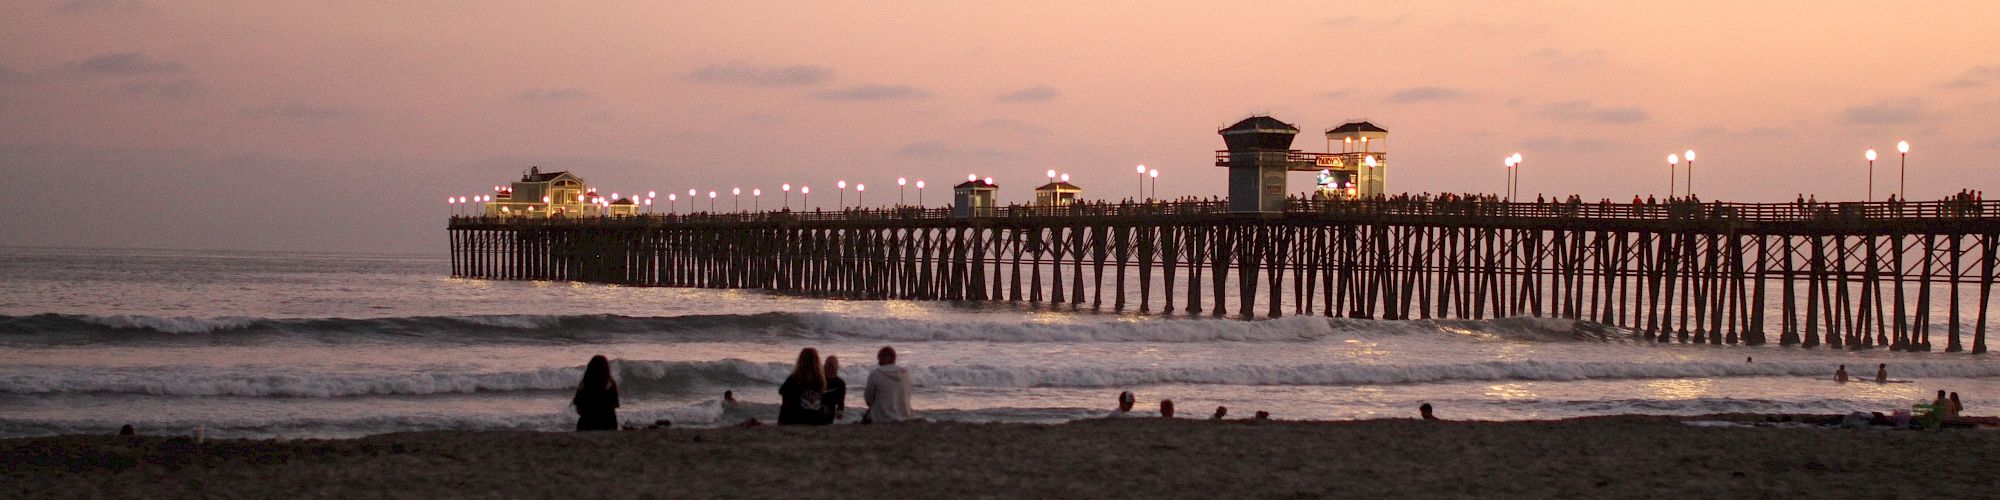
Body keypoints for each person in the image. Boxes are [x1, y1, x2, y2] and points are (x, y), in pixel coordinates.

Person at [778, 348, 833, 425]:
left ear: (800, 361)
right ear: (816, 362)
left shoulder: (794, 378)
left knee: (786, 401)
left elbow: (782, 392)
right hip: (816, 419)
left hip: (795, 418)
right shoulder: (820, 380)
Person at [863, 346, 915, 423]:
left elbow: (868, 399)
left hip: (881, 418)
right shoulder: (906, 374)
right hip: (905, 416)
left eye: (879, 358)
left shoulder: (876, 373)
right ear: (894, 359)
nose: (878, 362)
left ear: (881, 358)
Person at [572, 355, 620, 431]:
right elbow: (614, 405)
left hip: (586, 424)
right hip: (607, 424)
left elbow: (579, 409)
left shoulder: (583, 385)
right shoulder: (610, 384)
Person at [823, 355, 847, 421]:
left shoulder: (840, 383)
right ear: (824, 366)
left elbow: (841, 402)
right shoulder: (819, 380)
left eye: (832, 366)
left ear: (836, 367)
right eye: (829, 365)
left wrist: (839, 411)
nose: (830, 368)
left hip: (830, 413)